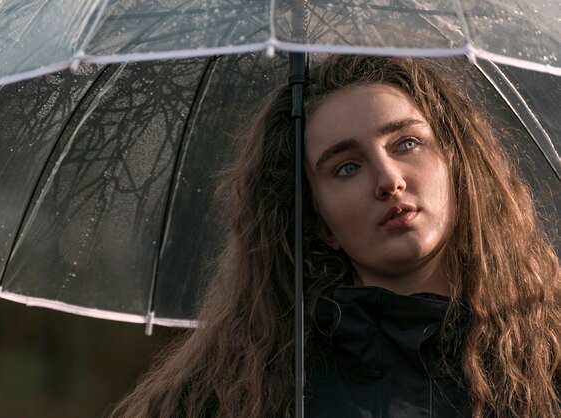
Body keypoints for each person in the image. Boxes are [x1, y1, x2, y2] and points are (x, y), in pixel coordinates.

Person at [112, 55, 561, 417]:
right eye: (346, 167)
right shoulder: (230, 398)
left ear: (456, 164)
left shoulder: (549, 365)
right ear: (319, 220)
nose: (388, 180)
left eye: (406, 143)